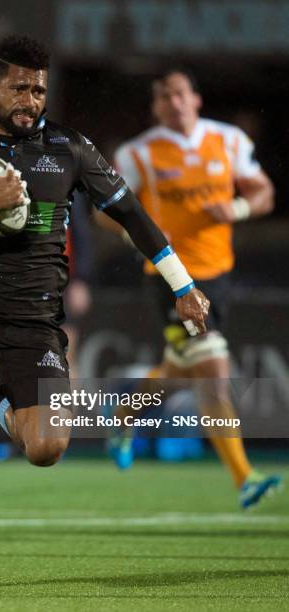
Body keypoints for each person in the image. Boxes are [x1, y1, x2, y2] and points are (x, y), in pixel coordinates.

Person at [0, 35, 209, 592]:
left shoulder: (69, 148)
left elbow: (134, 216)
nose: (31, 98)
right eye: (19, 87)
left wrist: (182, 284)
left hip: (34, 320)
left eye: (39, 89)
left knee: (46, 447)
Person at [111, 68, 281, 508]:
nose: (174, 102)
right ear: (155, 107)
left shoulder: (228, 141)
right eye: (164, 96)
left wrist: (239, 206)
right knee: (212, 370)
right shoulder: (138, 152)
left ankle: (125, 415)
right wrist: (139, 236)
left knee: (177, 372)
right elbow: (105, 212)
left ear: (196, 99)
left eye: (180, 93)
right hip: (169, 277)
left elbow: (265, 194)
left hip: (218, 275)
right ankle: (245, 478)